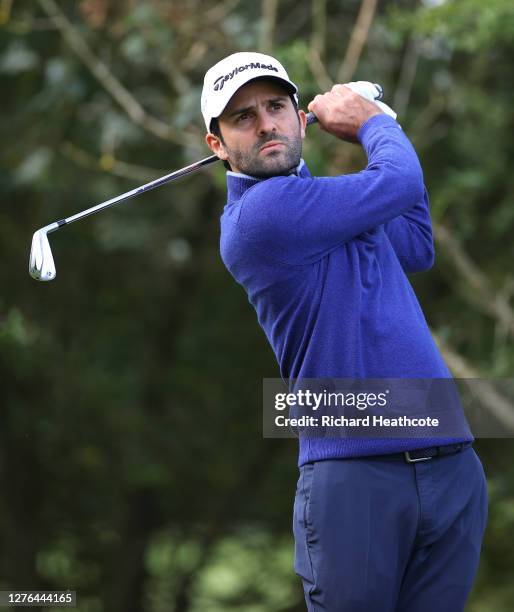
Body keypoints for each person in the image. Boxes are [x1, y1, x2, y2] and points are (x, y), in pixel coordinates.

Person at [201, 51, 488, 611]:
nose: (266, 124)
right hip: (355, 479)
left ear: (300, 119)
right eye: (243, 118)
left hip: (451, 465)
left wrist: (379, 124)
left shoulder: (332, 204)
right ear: (216, 144)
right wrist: (373, 122)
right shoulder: (259, 219)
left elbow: (415, 241)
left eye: (277, 107)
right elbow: (399, 178)